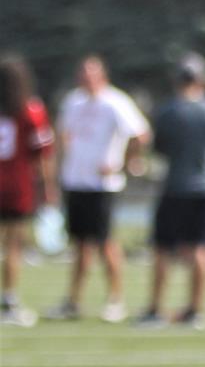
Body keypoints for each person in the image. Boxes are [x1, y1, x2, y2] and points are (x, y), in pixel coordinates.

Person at [47, 55, 150, 322]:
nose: (85, 79)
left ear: (102, 75)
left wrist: (125, 162)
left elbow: (140, 133)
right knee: (80, 244)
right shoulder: (73, 101)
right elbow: (63, 134)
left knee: (106, 243)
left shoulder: (115, 101)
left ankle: (115, 300)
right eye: (82, 73)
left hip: (102, 185)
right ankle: (73, 301)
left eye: (91, 74)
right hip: (76, 181)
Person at [135, 53, 205, 329]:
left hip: (176, 186)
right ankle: (195, 310)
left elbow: (160, 148)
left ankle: (155, 308)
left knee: (163, 249)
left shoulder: (168, 111)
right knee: (202, 248)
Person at [0, 55, 57, 326]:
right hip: (16, 186)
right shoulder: (31, 110)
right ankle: (9, 299)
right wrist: (48, 187)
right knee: (13, 245)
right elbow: (42, 153)